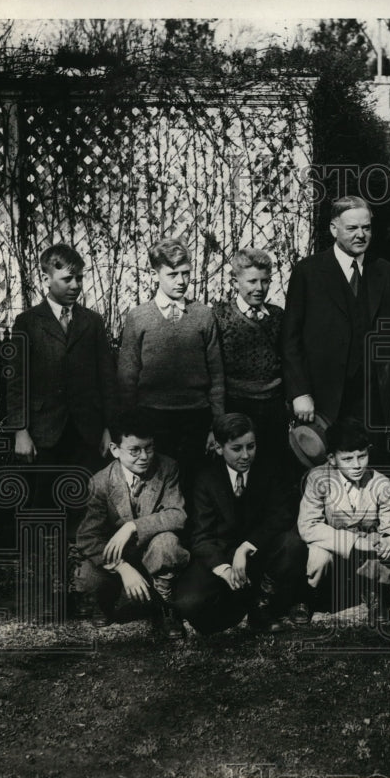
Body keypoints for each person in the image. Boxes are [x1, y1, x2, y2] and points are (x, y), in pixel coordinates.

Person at [281, 196, 390, 457]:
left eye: (367, 227)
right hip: (322, 400)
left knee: (371, 473)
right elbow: (290, 338)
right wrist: (299, 391)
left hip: (373, 401)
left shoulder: (387, 273)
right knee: (324, 475)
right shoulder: (309, 272)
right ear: (333, 229)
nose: (361, 235)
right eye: (352, 228)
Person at [175, 413, 311, 634]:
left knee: (292, 543)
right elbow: (201, 537)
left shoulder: (269, 469)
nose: (246, 455)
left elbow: (281, 516)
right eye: (236, 449)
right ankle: (241, 602)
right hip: (224, 554)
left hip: (261, 552)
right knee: (189, 603)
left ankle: (262, 604)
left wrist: (246, 546)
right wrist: (225, 569)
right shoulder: (206, 479)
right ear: (219, 448)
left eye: (251, 446)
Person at [6, 243, 116, 495]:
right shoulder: (28, 323)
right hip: (44, 432)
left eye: (79, 278)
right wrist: (20, 432)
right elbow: (16, 383)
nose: (75, 285)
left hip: (87, 431)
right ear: (46, 279)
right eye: (67, 279)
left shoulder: (92, 322)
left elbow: (107, 379)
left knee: (87, 502)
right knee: (44, 502)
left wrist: (109, 428)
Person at [117, 237, 225, 493]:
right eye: (173, 274)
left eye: (186, 273)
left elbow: (217, 376)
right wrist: (129, 427)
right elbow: (127, 377)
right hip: (152, 417)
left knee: (193, 483)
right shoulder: (138, 317)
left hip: (195, 419)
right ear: (156, 274)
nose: (181, 281)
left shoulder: (203, 315)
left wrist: (216, 427)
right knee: (155, 485)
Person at [72, 408, 190, 638]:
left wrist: (133, 526)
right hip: (118, 558)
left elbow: (178, 514)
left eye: (149, 448)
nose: (144, 457)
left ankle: (165, 606)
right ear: (115, 450)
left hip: (152, 554)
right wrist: (121, 567)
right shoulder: (101, 482)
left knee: (168, 543)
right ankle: (104, 602)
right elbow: (87, 537)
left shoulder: (167, 468)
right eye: (135, 450)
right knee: (87, 576)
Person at [297, 417, 390, 625]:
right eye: (347, 459)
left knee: (377, 552)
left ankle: (373, 594)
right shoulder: (319, 478)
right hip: (330, 545)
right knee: (317, 556)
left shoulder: (381, 483)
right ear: (332, 459)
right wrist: (353, 542)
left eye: (362, 456)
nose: (357, 465)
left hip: (366, 551)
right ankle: (307, 596)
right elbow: (308, 526)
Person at [212, 248, 292, 472]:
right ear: (235, 281)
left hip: (273, 407)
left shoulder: (277, 316)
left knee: (273, 466)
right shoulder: (220, 316)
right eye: (252, 281)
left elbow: (288, 360)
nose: (259, 288)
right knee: (240, 464)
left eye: (265, 281)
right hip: (236, 404)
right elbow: (214, 368)